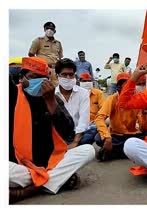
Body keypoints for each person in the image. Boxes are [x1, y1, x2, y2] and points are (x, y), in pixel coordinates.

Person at [9, 57, 95, 204]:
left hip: (50, 162)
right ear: (22, 78)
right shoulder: (12, 95)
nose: (40, 83)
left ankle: (31, 189)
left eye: (43, 79)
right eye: (33, 78)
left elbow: (67, 131)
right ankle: (52, 181)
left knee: (88, 150)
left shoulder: (53, 98)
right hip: (19, 164)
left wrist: (51, 103)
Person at [95, 73, 147, 161]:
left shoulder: (137, 100)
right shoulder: (112, 99)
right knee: (98, 138)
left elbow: (143, 129)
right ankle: (131, 153)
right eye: (124, 86)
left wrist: (144, 114)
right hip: (116, 136)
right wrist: (107, 138)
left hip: (133, 136)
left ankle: (114, 153)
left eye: (129, 86)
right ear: (118, 88)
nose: (127, 89)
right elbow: (99, 118)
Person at [54, 58, 90, 149]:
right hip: (58, 134)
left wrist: (75, 141)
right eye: (64, 75)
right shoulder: (52, 94)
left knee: (93, 130)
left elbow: (84, 119)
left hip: (77, 134)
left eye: (71, 75)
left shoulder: (83, 93)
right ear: (57, 75)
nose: (68, 78)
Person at [28, 21, 63, 86]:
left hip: (55, 70)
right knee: (43, 88)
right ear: (44, 29)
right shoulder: (38, 40)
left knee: (56, 89)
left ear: (54, 31)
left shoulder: (58, 43)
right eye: (47, 28)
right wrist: (38, 66)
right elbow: (31, 54)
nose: (49, 30)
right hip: (42, 69)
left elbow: (60, 57)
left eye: (52, 29)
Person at [78, 72, 105, 145]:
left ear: (92, 82)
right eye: (84, 81)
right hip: (78, 123)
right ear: (79, 82)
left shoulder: (98, 93)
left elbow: (103, 110)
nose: (87, 83)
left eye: (88, 81)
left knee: (90, 133)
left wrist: (96, 121)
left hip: (93, 123)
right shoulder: (75, 93)